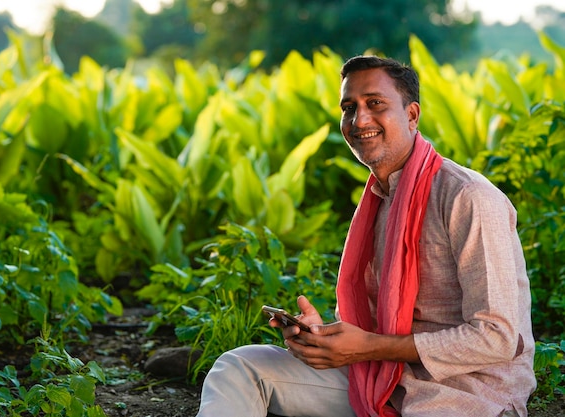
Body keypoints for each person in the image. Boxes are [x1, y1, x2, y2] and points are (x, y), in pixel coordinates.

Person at [195, 55, 536, 417]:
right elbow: (374, 326)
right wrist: (324, 338)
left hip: (466, 391)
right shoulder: (379, 199)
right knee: (241, 368)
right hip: (381, 376)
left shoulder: (467, 196)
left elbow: (496, 339)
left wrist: (370, 347)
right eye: (348, 108)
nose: (359, 120)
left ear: (412, 115)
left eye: (375, 103)